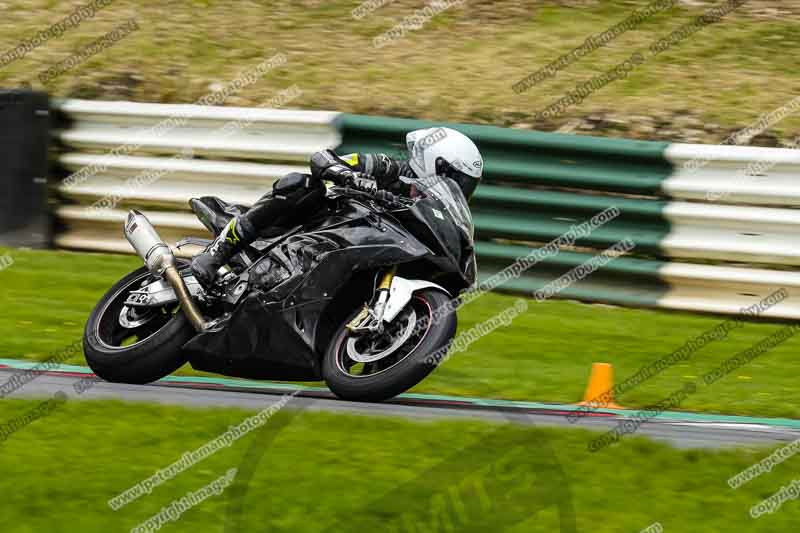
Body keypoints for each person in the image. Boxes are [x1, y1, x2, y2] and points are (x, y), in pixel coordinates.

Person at [190, 127, 484, 290]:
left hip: (361, 248)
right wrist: (351, 176)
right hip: (321, 222)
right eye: (457, 178)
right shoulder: (390, 167)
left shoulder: (426, 207)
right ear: (438, 161)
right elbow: (322, 158)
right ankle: (216, 253)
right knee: (302, 186)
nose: (460, 188)